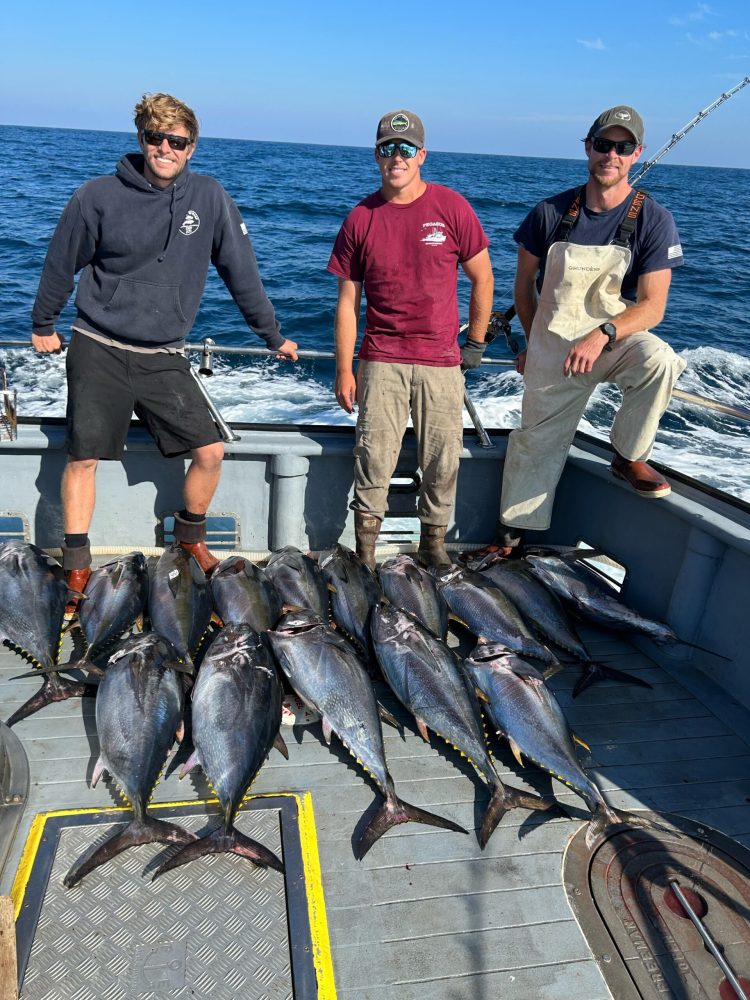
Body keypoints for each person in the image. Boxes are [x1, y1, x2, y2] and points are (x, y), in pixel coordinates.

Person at [31, 92, 298, 605]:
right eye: (156, 138)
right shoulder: (96, 196)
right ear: (141, 140)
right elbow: (60, 262)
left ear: (192, 147)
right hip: (97, 345)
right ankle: (77, 564)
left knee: (210, 451)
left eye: (176, 141)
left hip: (164, 355)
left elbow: (242, 273)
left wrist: (272, 334)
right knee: (83, 458)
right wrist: (44, 321)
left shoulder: (211, 198)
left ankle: (190, 538)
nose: (165, 148)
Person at [476, 105, 685, 559]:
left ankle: (627, 455)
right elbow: (524, 287)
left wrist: (604, 333)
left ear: (637, 154)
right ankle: (509, 541)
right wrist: (535, 345)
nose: (612, 154)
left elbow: (653, 306)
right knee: (533, 444)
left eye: (623, 147)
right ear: (587, 147)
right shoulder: (549, 213)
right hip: (554, 343)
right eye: (603, 144)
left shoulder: (654, 219)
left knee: (661, 360)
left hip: (614, 339)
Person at [327, 109, 494, 571]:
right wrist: (345, 368)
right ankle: (364, 553)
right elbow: (347, 302)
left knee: (443, 461)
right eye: (387, 148)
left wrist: (475, 343)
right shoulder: (360, 218)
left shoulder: (452, 207)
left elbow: (483, 278)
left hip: (442, 361)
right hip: (380, 359)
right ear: (376, 155)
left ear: (422, 154)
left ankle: (433, 544)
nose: (396, 157)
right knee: (372, 458)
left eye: (405, 148)